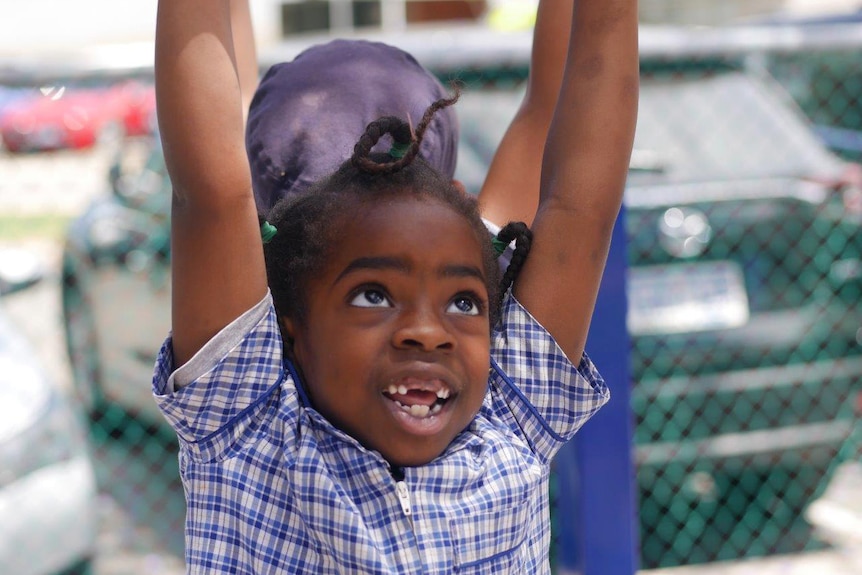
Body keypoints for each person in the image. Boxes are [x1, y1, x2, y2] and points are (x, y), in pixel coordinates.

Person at [152, 0, 638, 572]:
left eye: (464, 302)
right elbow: (210, 192)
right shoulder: (249, 426)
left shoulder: (509, 413)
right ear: (292, 322)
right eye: (372, 296)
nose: (428, 333)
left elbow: (581, 200)